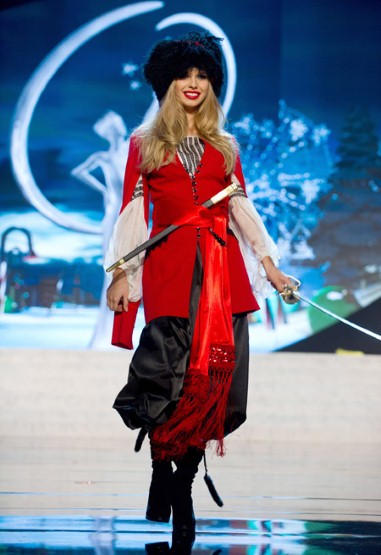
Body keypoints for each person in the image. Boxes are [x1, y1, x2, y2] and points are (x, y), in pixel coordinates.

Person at [106, 31, 292, 549]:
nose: (193, 84)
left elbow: (241, 210)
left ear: (212, 85)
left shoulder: (225, 147)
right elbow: (131, 212)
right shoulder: (144, 145)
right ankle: (162, 467)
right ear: (168, 83)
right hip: (168, 276)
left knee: (209, 391)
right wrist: (121, 273)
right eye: (185, 75)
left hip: (222, 277)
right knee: (165, 382)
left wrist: (272, 268)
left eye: (203, 76)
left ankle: (181, 489)